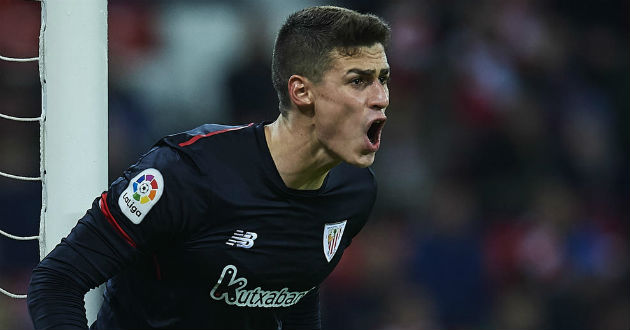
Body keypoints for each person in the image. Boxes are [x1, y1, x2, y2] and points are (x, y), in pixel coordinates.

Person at [27, 5, 391, 330]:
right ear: (302, 92)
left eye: (383, 79)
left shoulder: (354, 191)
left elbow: (296, 295)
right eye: (358, 81)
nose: (380, 98)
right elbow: (58, 281)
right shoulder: (186, 172)